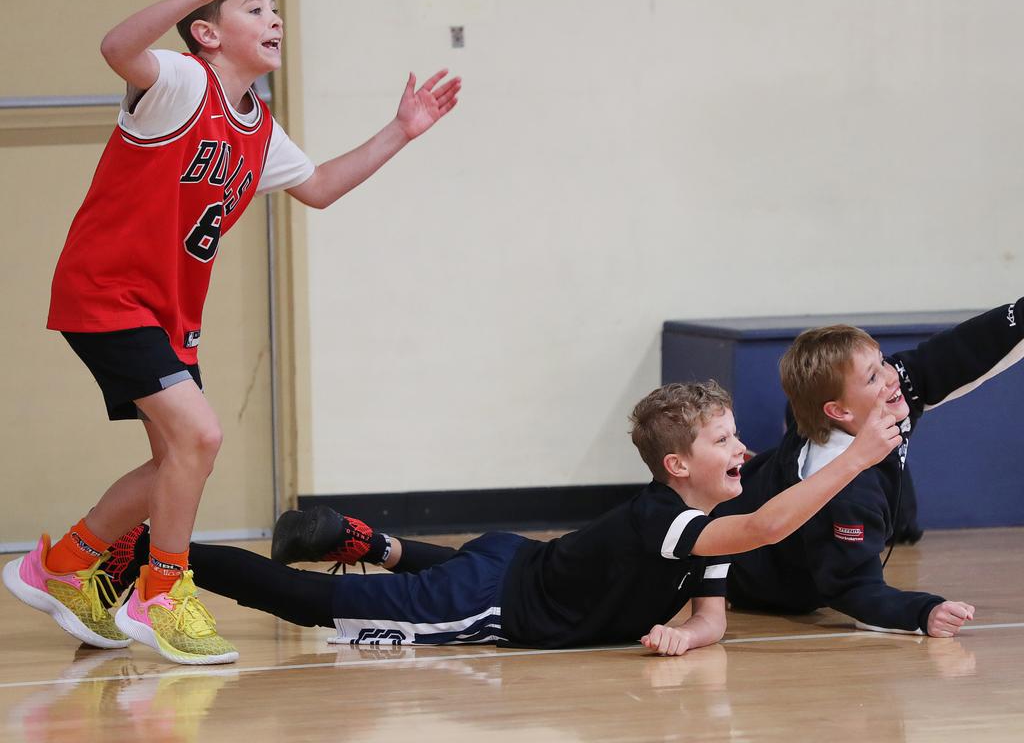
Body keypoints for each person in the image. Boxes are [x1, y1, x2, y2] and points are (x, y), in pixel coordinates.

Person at [2, 0, 459, 665]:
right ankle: (161, 594)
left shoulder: (258, 125)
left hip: (168, 313)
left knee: (173, 460)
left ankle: (62, 563)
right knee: (202, 434)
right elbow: (116, 46)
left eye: (275, 7)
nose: (274, 18)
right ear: (208, 32)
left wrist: (401, 130)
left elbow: (320, 188)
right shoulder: (182, 84)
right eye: (254, 7)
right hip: (106, 293)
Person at [102, 380, 901, 655]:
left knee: (465, 564)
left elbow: (713, 619)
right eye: (725, 440)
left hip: (514, 558)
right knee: (310, 606)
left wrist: (685, 633)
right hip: (488, 602)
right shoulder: (677, 521)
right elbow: (768, 528)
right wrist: (858, 455)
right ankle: (147, 551)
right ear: (676, 466)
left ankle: (370, 543)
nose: (745, 450)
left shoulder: (707, 520)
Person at [718, 297, 1024, 637]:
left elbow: (956, 353)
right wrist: (922, 612)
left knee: (897, 507)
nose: (892, 375)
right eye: (872, 377)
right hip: (751, 573)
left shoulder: (869, 398)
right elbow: (853, 589)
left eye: (881, 363)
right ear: (840, 411)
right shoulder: (847, 493)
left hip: (775, 476)